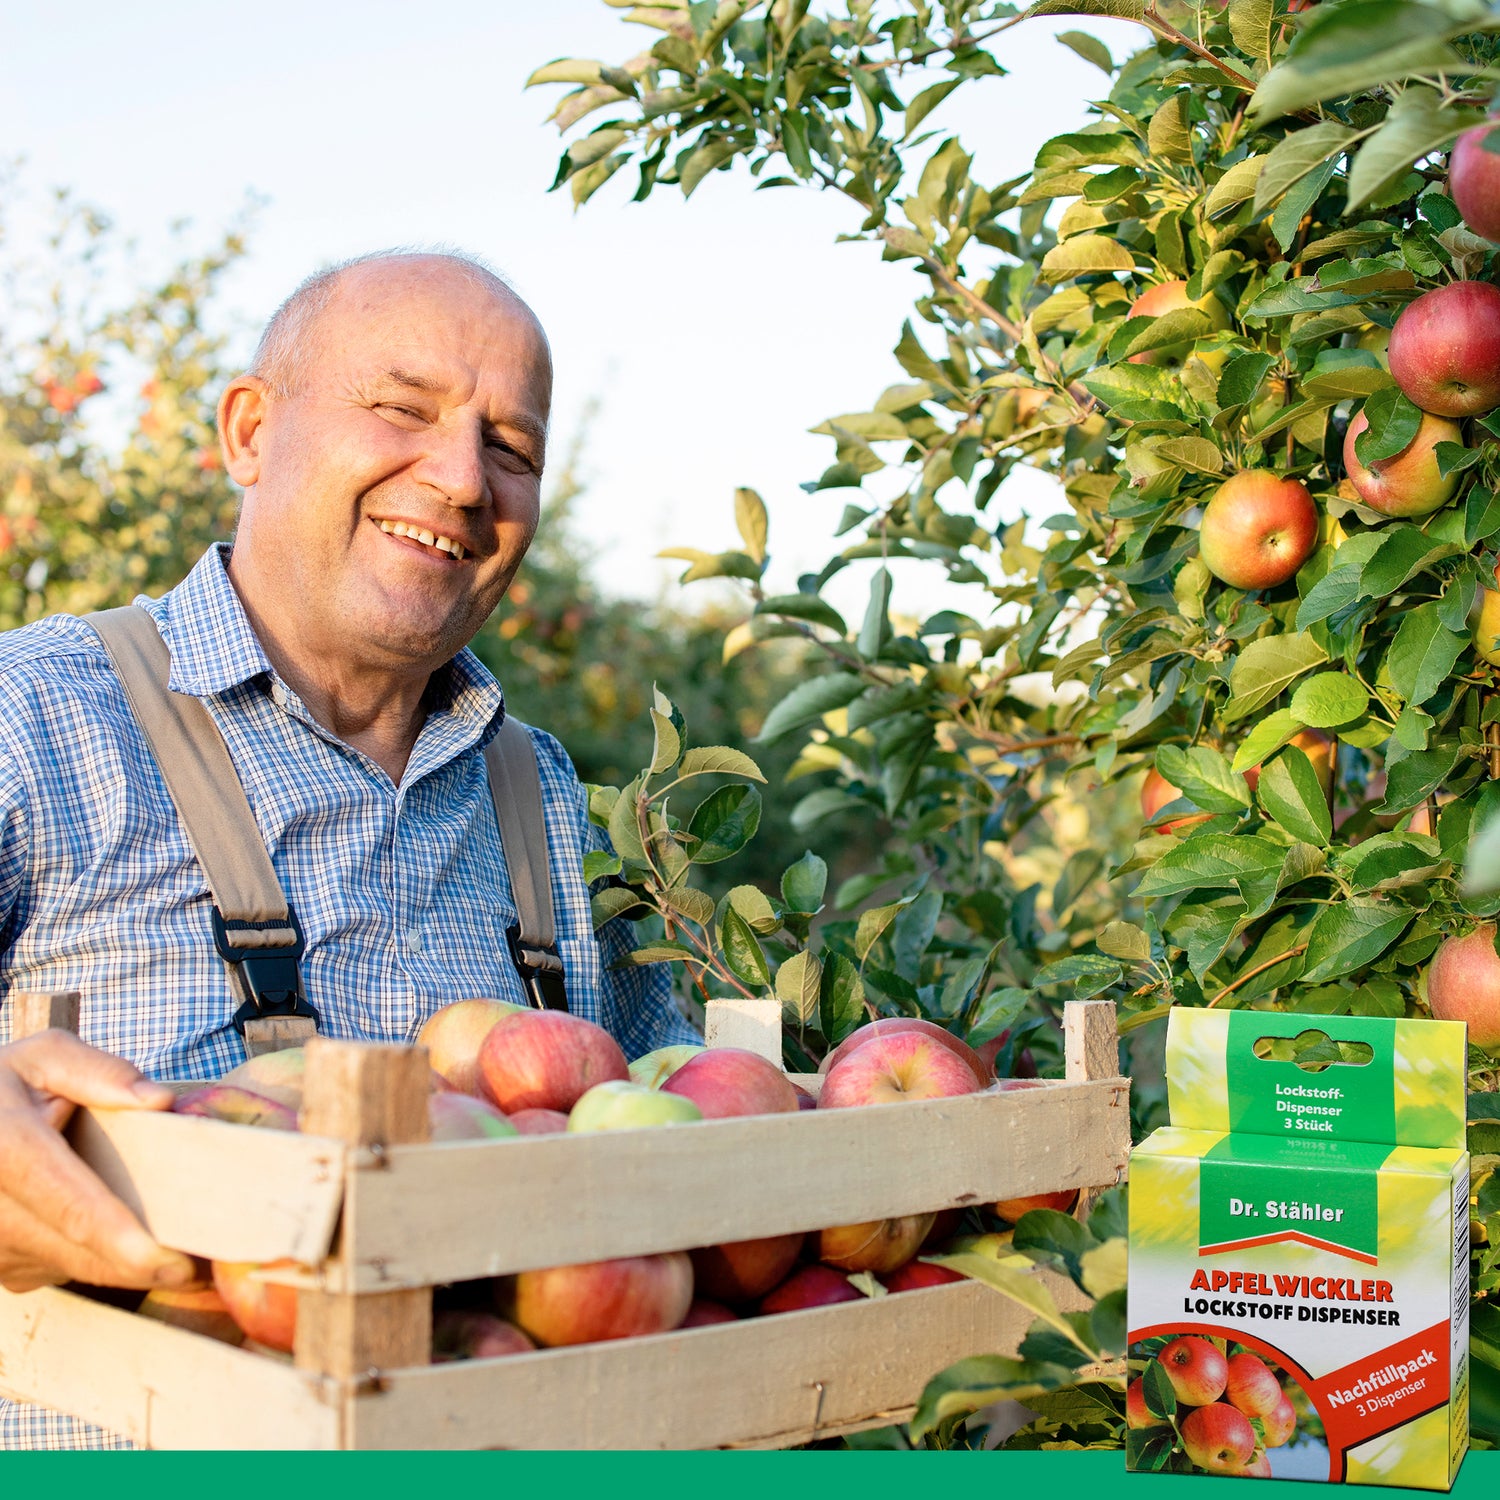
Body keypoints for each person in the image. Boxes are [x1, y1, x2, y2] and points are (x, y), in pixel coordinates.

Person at [0, 250, 699, 1447]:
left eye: (513, 449)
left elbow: (681, 1126)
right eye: (402, 409)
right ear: (250, 431)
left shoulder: (543, 800)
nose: (463, 478)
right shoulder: (36, 721)